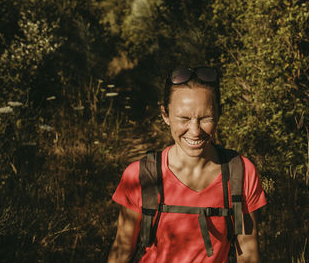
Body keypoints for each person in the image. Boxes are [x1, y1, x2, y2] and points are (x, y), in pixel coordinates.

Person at [108, 66, 267, 263]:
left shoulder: (241, 173)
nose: (195, 131)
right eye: (184, 118)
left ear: (219, 113)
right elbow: (122, 251)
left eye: (205, 118)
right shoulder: (140, 175)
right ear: (165, 115)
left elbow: (248, 256)